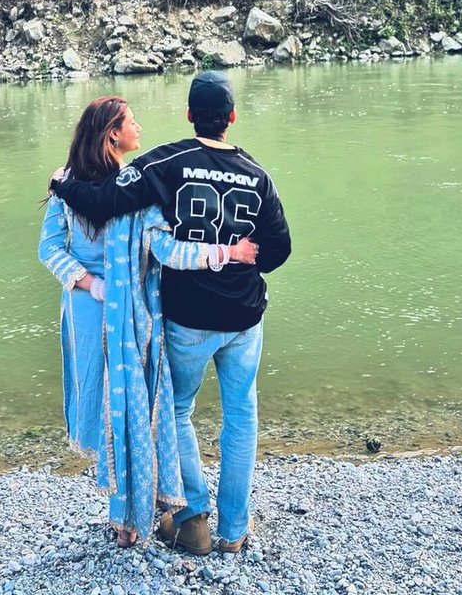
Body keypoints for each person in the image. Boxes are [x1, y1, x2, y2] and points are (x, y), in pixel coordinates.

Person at [50, 71, 291, 557]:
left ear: (187, 115)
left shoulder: (169, 160)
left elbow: (108, 198)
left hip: (190, 317)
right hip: (244, 317)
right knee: (241, 415)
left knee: (177, 412)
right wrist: (239, 260)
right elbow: (279, 249)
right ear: (232, 118)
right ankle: (235, 531)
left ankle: (193, 519)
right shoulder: (257, 173)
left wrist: (62, 186)